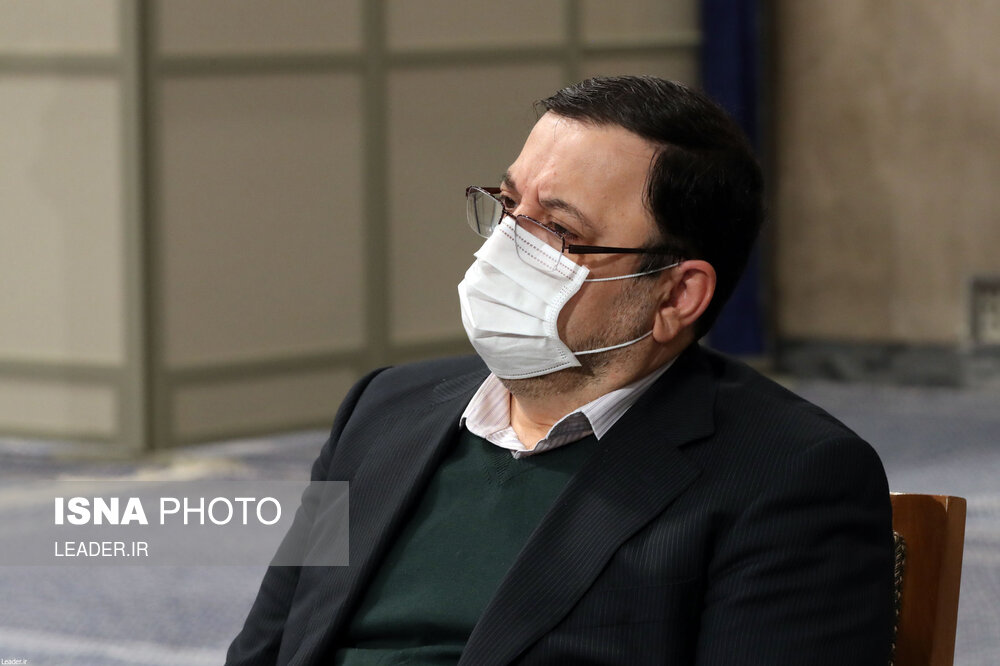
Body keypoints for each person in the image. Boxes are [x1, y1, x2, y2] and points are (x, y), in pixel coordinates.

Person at [226, 76, 893, 665]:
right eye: (510, 205)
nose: (505, 246)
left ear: (676, 295)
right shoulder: (381, 410)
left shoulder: (789, 476)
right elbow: (267, 646)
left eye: (560, 232)